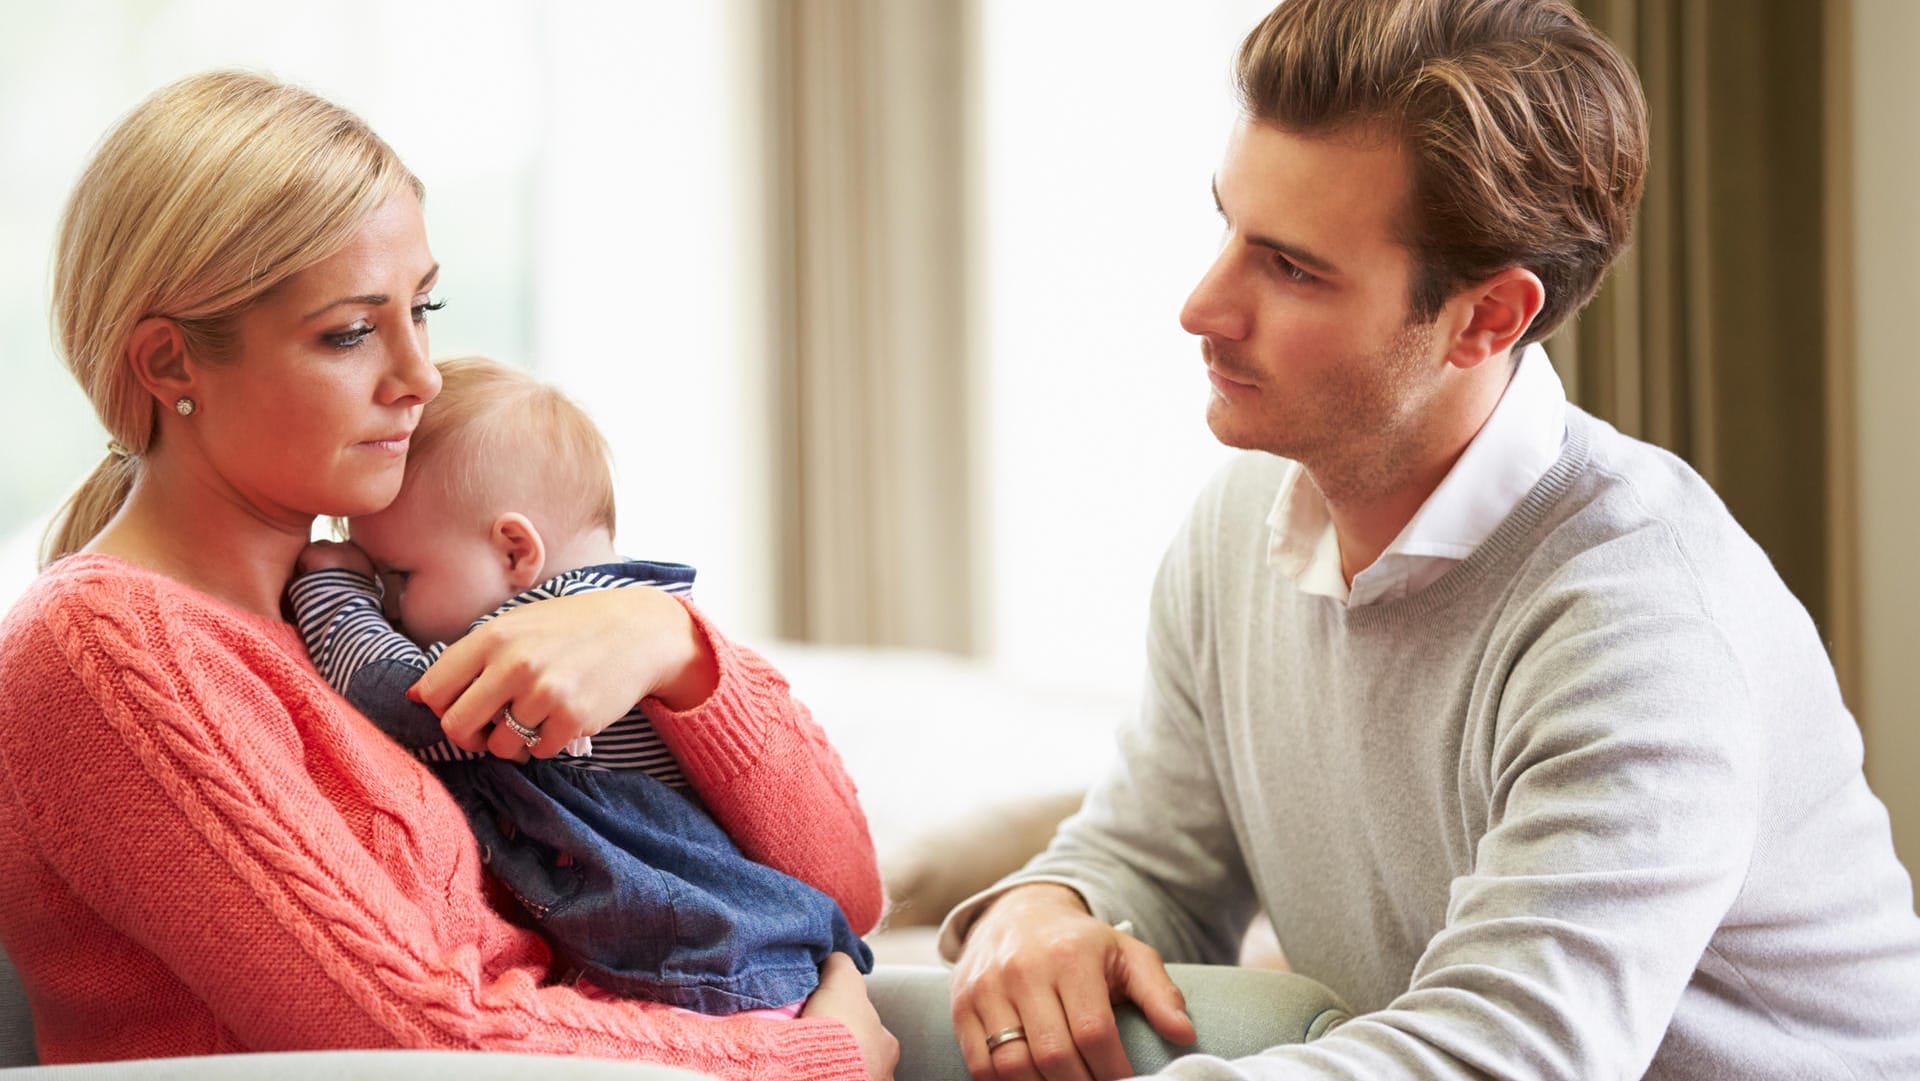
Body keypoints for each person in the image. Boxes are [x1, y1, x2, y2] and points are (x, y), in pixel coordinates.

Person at [942, 2, 1920, 1079]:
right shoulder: (1239, 529)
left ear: (1487, 318)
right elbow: (1153, 859)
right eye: (1226, 226)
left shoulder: (1640, 623)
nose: (1202, 305)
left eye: (1292, 267)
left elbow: (1500, 1057)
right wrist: (1040, 911)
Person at [0, 70, 895, 1080]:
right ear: (170, 366)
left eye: (422, 307)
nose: (420, 375)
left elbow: (837, 888)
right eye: (348, 331)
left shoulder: (373, 619)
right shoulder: (107, 651)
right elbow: (414, 1036)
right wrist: (813, 1060)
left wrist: (673, 644)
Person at [287, 355, 873, 1016]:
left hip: (682, 973)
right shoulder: (635, 592)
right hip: (744, 963)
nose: (389, 607)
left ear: (514, 551)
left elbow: (401, 698)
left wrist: (332, 591)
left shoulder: (539, 641)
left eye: (397, 577)